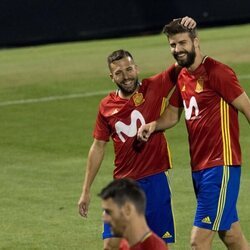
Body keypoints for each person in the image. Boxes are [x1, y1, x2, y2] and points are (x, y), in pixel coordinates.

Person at [78, 16, 196, 250]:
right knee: (111, 244)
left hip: (155, 179)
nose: (127, 76)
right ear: (112, 77)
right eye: (119, 73)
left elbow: (183, 61)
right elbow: (98, 147)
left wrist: (188, 33)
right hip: (123, 185)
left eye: (129, 69)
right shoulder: (106, 106)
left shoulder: (154, 86)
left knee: (158, 244)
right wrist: (86, 191)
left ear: (136, 68)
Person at [137, 18, 250, 250]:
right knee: (231, 235)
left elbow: (248, 108)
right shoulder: (183, 76)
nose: (177, 49)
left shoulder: (218, 72)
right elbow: (173, 114)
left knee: (199, 241)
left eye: (182, 43)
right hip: (199, 167)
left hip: (221, 165)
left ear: (195, 42)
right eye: (172, 45)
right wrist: (153, 125)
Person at [99, 178, 168, 250]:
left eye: (108, 212)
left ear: (127, 210)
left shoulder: (153, 247)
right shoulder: (124, 245)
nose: (104, 219)